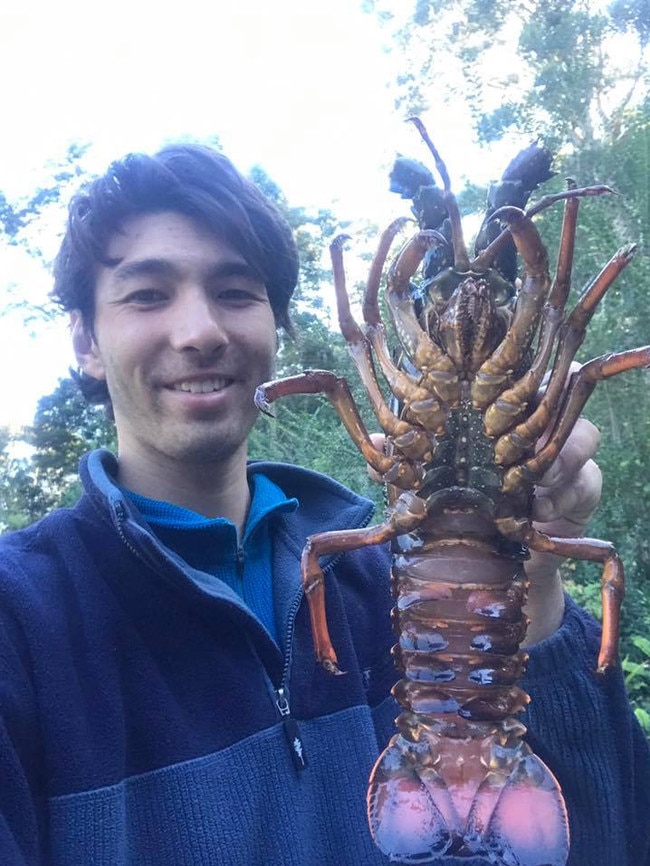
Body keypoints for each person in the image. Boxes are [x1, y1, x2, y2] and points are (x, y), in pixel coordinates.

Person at [0, 143, 647, 866]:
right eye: (147, 294)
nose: (201, 331)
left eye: (236, 292)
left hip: (477, 662)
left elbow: (615, 837)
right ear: (86, 339)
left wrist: (543, 574)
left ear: (278, 328)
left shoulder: (372, 573)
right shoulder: (18, 622)